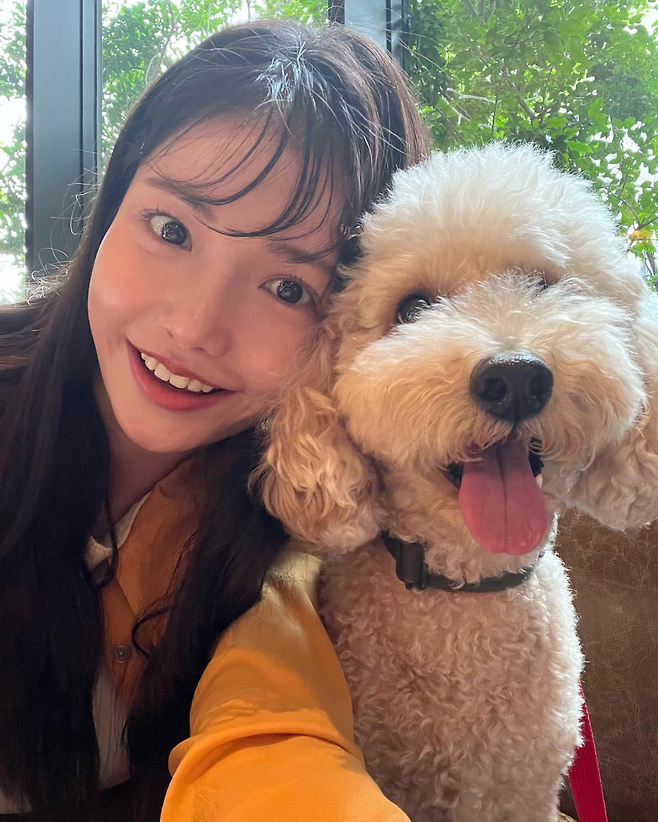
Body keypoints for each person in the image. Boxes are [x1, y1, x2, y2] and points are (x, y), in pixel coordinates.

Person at [0, 18, 431, 822]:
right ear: (112, 203)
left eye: (288, 288)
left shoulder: (321, 532)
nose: (196, 325)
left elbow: (282, 748)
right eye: (171, 229)